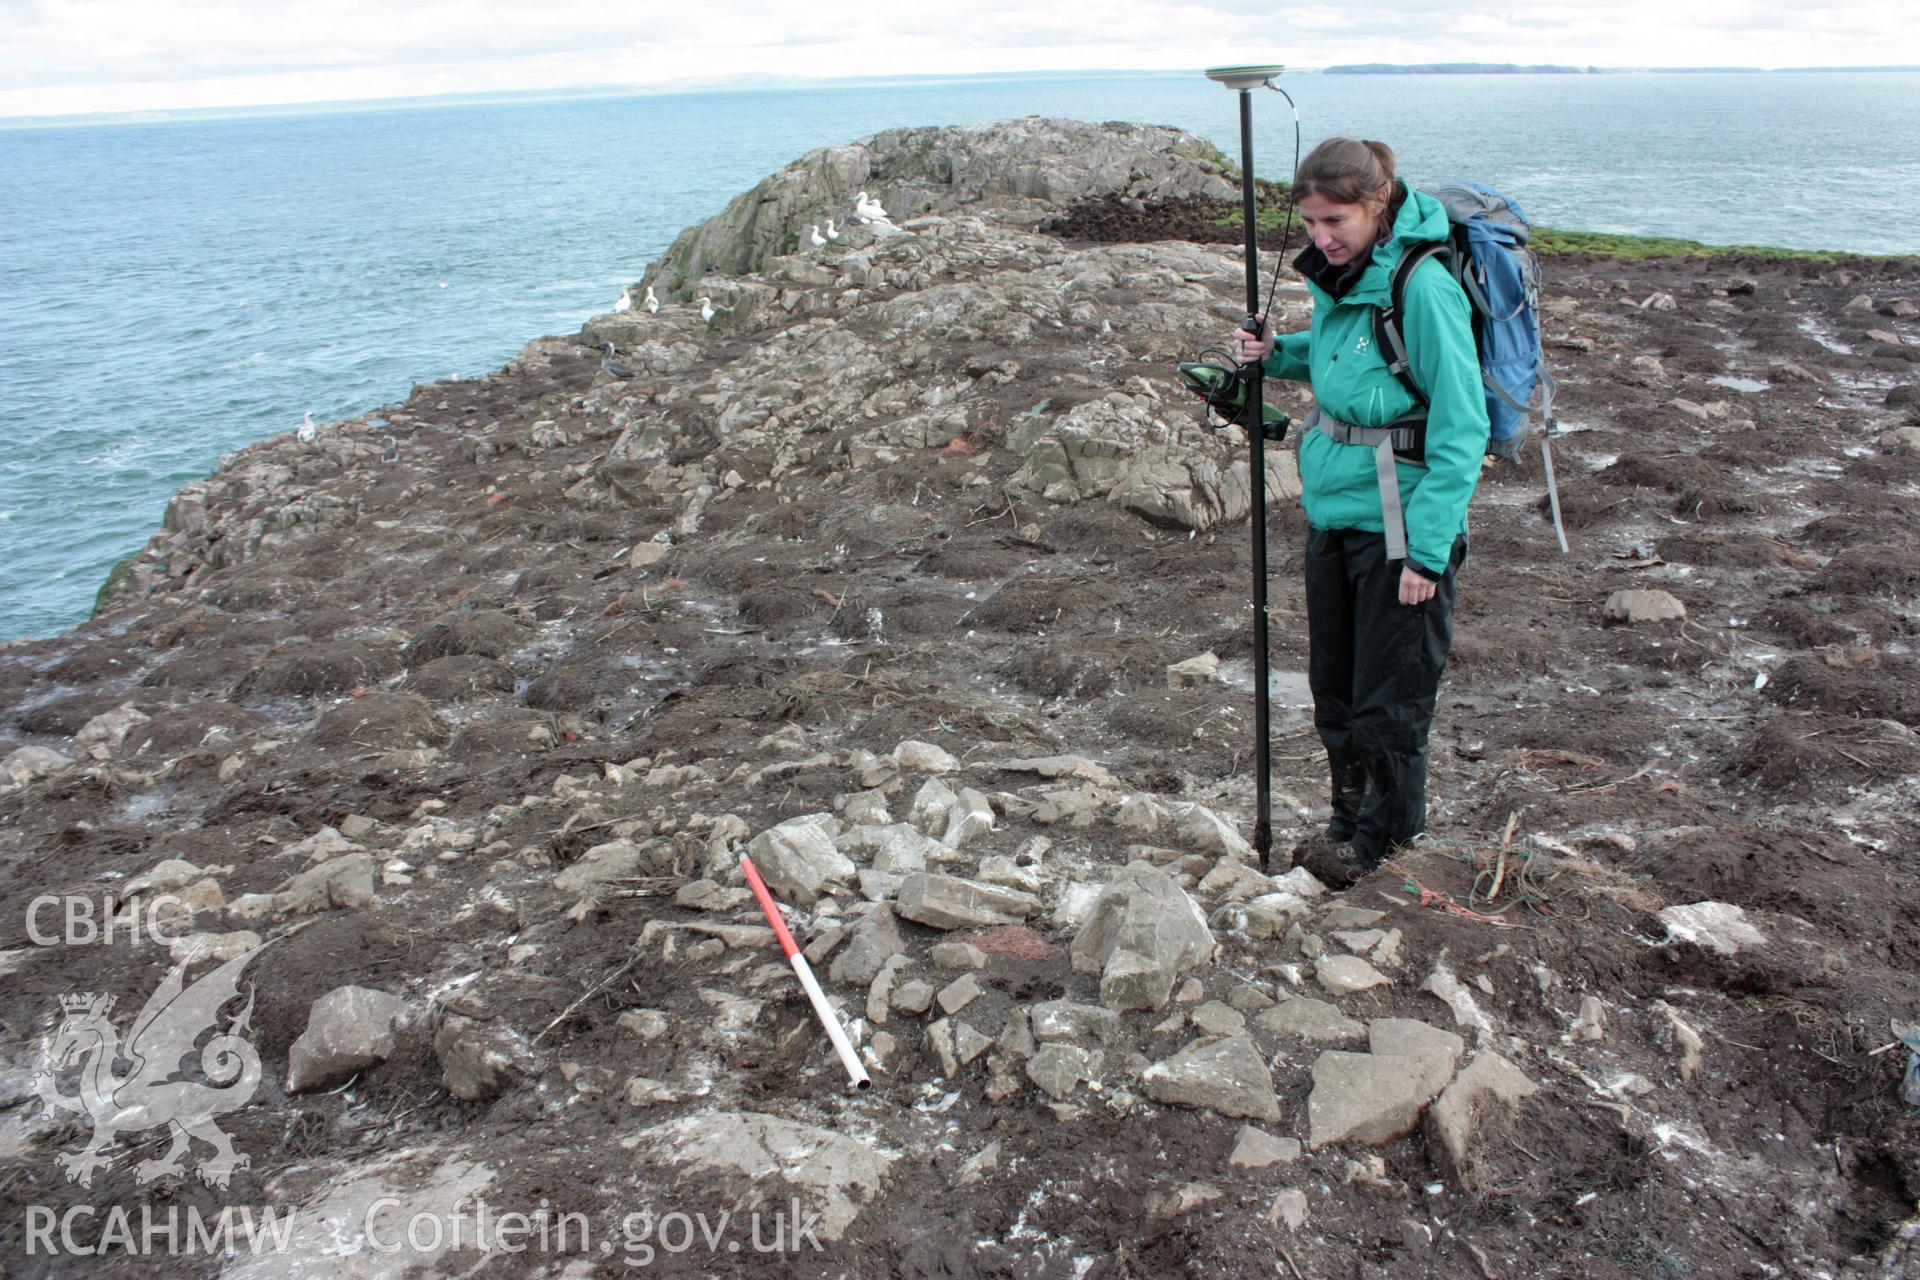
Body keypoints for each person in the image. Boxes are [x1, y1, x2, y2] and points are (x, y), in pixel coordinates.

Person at [1233, 137, 1488, 888]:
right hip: (1335, 514)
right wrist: (1278, 353)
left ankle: (1386, 844)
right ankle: (1349, 822)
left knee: (1390, 701)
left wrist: (1427, 554)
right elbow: (1349, 353)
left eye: (1335, 219)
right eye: (1309, 222)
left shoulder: (1424, 286)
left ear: (1378, 205)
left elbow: (1461, 426)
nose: (1321, 237)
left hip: (1403, 528)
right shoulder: (1345, 276)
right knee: (1335, 689)